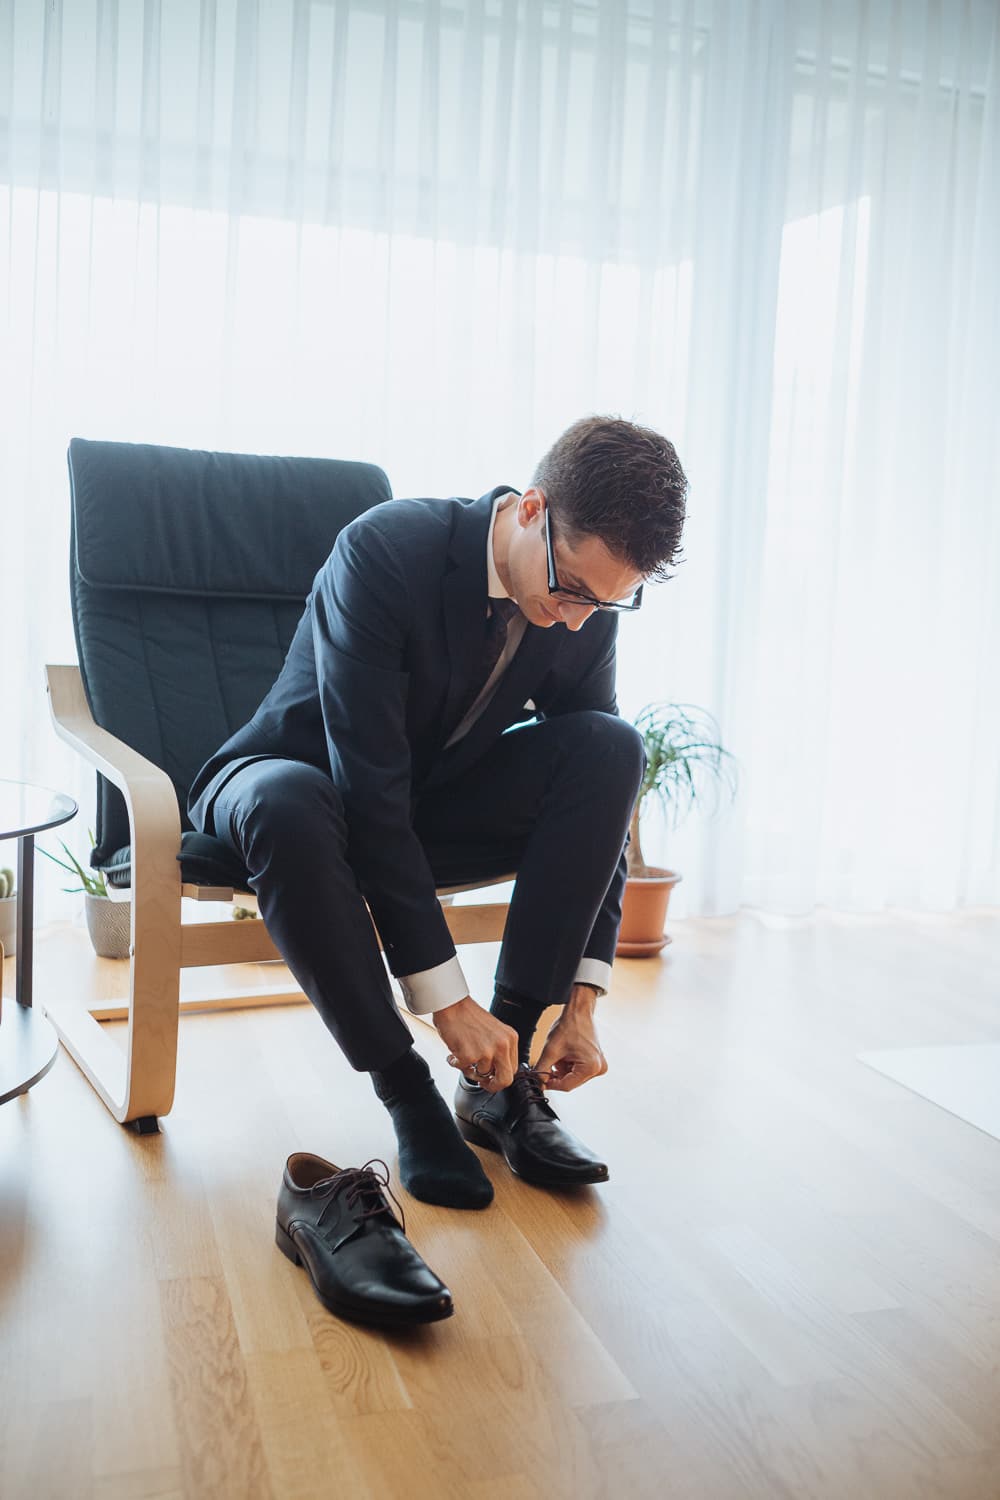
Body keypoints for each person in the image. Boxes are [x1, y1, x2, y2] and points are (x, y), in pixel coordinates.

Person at [189, 415, 688, 1236]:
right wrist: (445, 1002)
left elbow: (601, 791)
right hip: (290, 782)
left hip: (424, 799)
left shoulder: (584, 607)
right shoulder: (387, 550)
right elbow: (369, 789)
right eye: (571, 591)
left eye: (606, 602)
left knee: (610, 746)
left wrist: (585, 996)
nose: (576, 620)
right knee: (289, 801)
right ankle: (409, 1094)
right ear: (531, 509)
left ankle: (501, 1085)